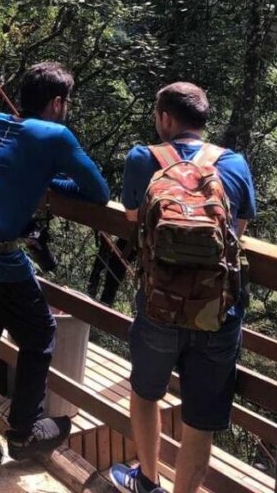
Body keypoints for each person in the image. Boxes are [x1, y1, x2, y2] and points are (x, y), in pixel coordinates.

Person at [0, 61, 110, 489]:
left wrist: (44, 178)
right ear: (58, 103)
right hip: (0, 256)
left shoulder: (0, 123)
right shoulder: (56, 135)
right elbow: (99, 192)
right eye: (67, 103)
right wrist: (56, 183)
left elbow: (11, 169)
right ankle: (23, 432)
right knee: (40, 334)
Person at [110, 82, 256, 493]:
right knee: (200, 419)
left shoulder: (144, 158)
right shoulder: (235, 163)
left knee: (145, 392)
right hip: (217, 312)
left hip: (158, 305)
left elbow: (133, 220)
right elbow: (237, 230)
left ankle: (148, 480)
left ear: (166, 118)